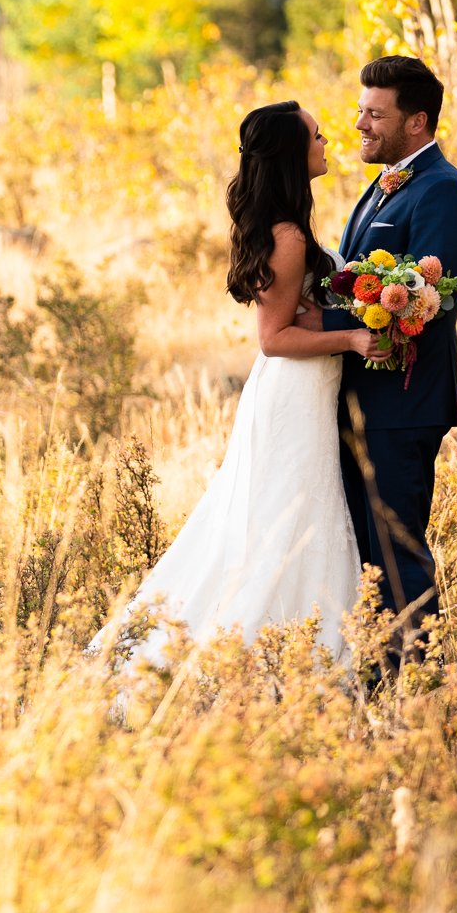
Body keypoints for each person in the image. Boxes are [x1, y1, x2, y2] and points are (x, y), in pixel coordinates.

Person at [95, 100, 378, 666]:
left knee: (291, 516)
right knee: (286, 521)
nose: (327, 142)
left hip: (304, 392)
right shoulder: (289, 237)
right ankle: (263, 655)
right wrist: (350, 338)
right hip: (292, 396)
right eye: (317, 137)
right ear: (292, 157)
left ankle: (294, 650)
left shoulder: (292, 227)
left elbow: (299, 317)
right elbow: (273, 337)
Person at [319, 55, 457, 677]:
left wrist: (318, 329)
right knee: (368, 553)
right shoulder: (386, 179)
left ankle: (424, 681)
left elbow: (427, 298)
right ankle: (379, 674)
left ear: (416, 121)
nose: (360, 122)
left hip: (402, 401)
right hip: (365, 400)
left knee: (397, 551)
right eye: (362, 110)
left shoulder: (443, 190)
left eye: (374, 113)